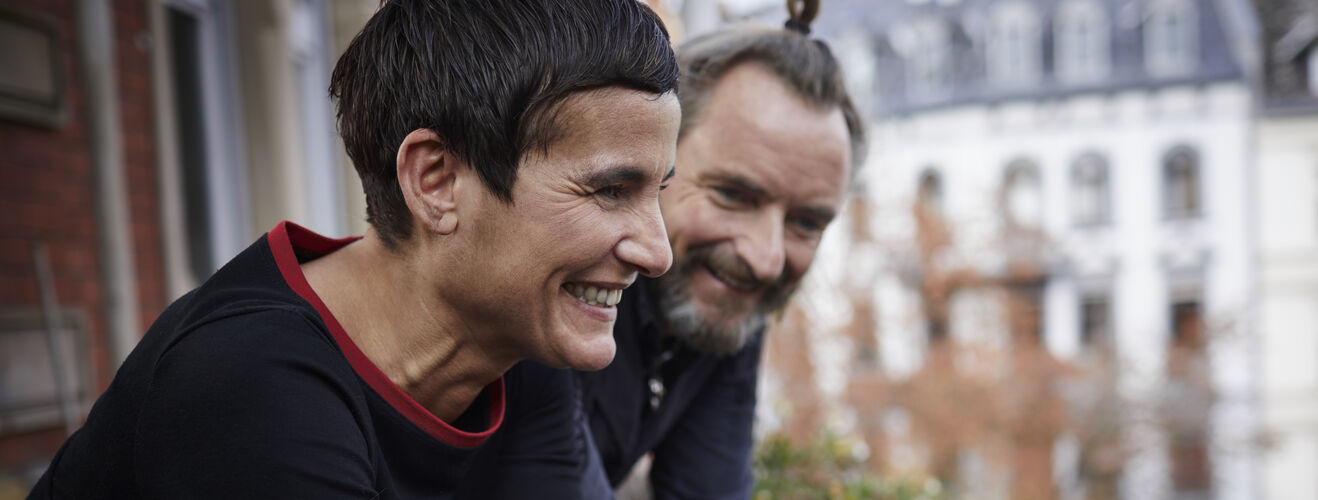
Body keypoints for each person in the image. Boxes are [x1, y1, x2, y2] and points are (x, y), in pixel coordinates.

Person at [29, 0, 679, 498]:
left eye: (660, 191)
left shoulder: (518, 348)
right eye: (610, 190)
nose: (658, 252)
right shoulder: (248, 385)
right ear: (437, 182)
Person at [575, 1, 867, 498]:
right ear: (650, 158)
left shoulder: (721, 301)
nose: (766, 260)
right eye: (733, 195)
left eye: (806, 223)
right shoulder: (564, 276)